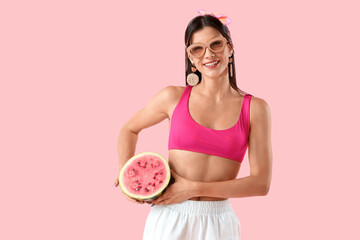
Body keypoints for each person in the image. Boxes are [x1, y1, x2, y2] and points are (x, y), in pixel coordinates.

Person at [114, 12, 272, 240]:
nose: (208, 54)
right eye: (196, 49)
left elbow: (261, 184)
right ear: (190, 57)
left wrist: (194, 188)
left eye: (216, 44)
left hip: (218, 222)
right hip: (169, 215)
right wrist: (125, 172)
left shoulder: (256, 108)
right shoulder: (172, 97)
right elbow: (128, 129)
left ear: (230, 49)